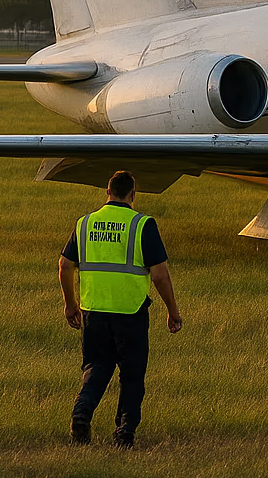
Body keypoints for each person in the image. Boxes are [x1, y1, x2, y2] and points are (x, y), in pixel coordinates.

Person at [60, 170, 183, 447]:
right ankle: (125, 432)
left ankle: (82, 411)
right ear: (133, 195)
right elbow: (160, 275)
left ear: (107, 192)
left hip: (94, 311)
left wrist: (70, 303)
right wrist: (172, 310)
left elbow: (65, 265)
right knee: (132, 374)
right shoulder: (142, 224)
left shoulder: (85, 223)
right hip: (131, 313)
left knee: (97, 367)